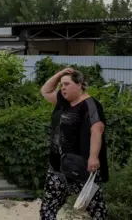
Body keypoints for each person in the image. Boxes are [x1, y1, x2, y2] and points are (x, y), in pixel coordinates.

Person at [39, 68, 109, 220]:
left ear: (80, 85)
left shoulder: (90, 105)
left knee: (97, 210)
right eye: (61, 85)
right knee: (47, 208)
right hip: (57, 166)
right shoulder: (63, 102)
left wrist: (93, 158)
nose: (62, 87)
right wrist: (59, 74)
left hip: (80, 168)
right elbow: (45, 91)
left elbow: (97, 129)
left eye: (66, 84)